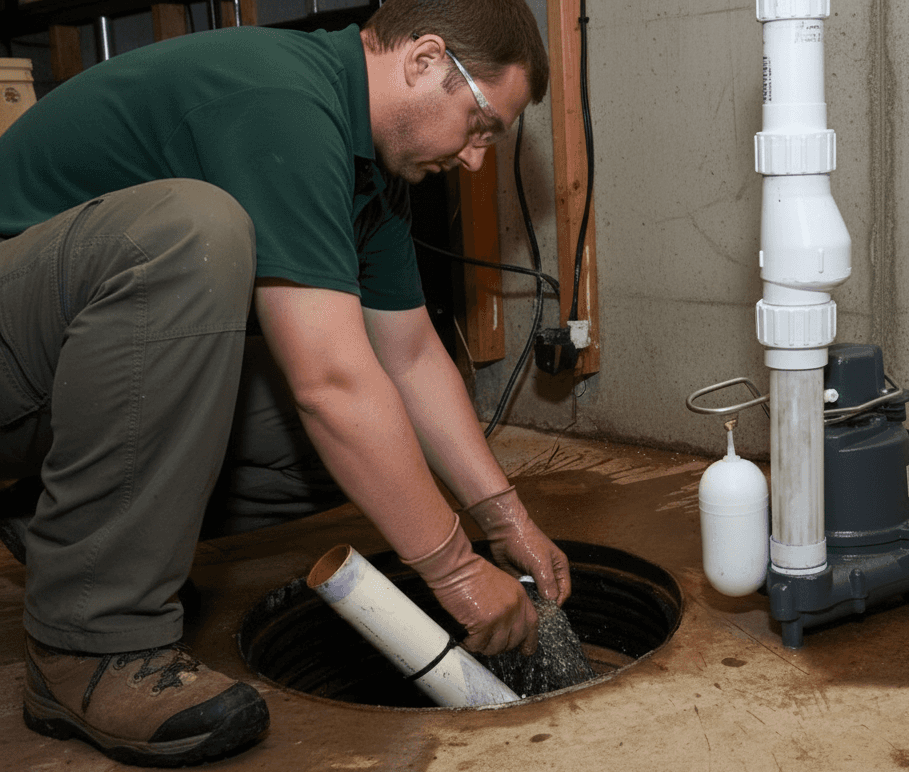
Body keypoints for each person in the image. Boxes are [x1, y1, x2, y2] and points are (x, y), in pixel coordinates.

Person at [0, 0, 571, 766]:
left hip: (58, 374)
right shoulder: (280, 100)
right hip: (16, 344)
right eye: (482, 125)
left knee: (374, 444)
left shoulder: (370, 164)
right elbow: (329, 383)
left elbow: (406, 358)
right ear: (426, 59)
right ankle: (87, 647)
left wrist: (502, 517)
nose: (476, 159)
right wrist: (457, 571)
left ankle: (62, 531)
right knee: (193, 235)